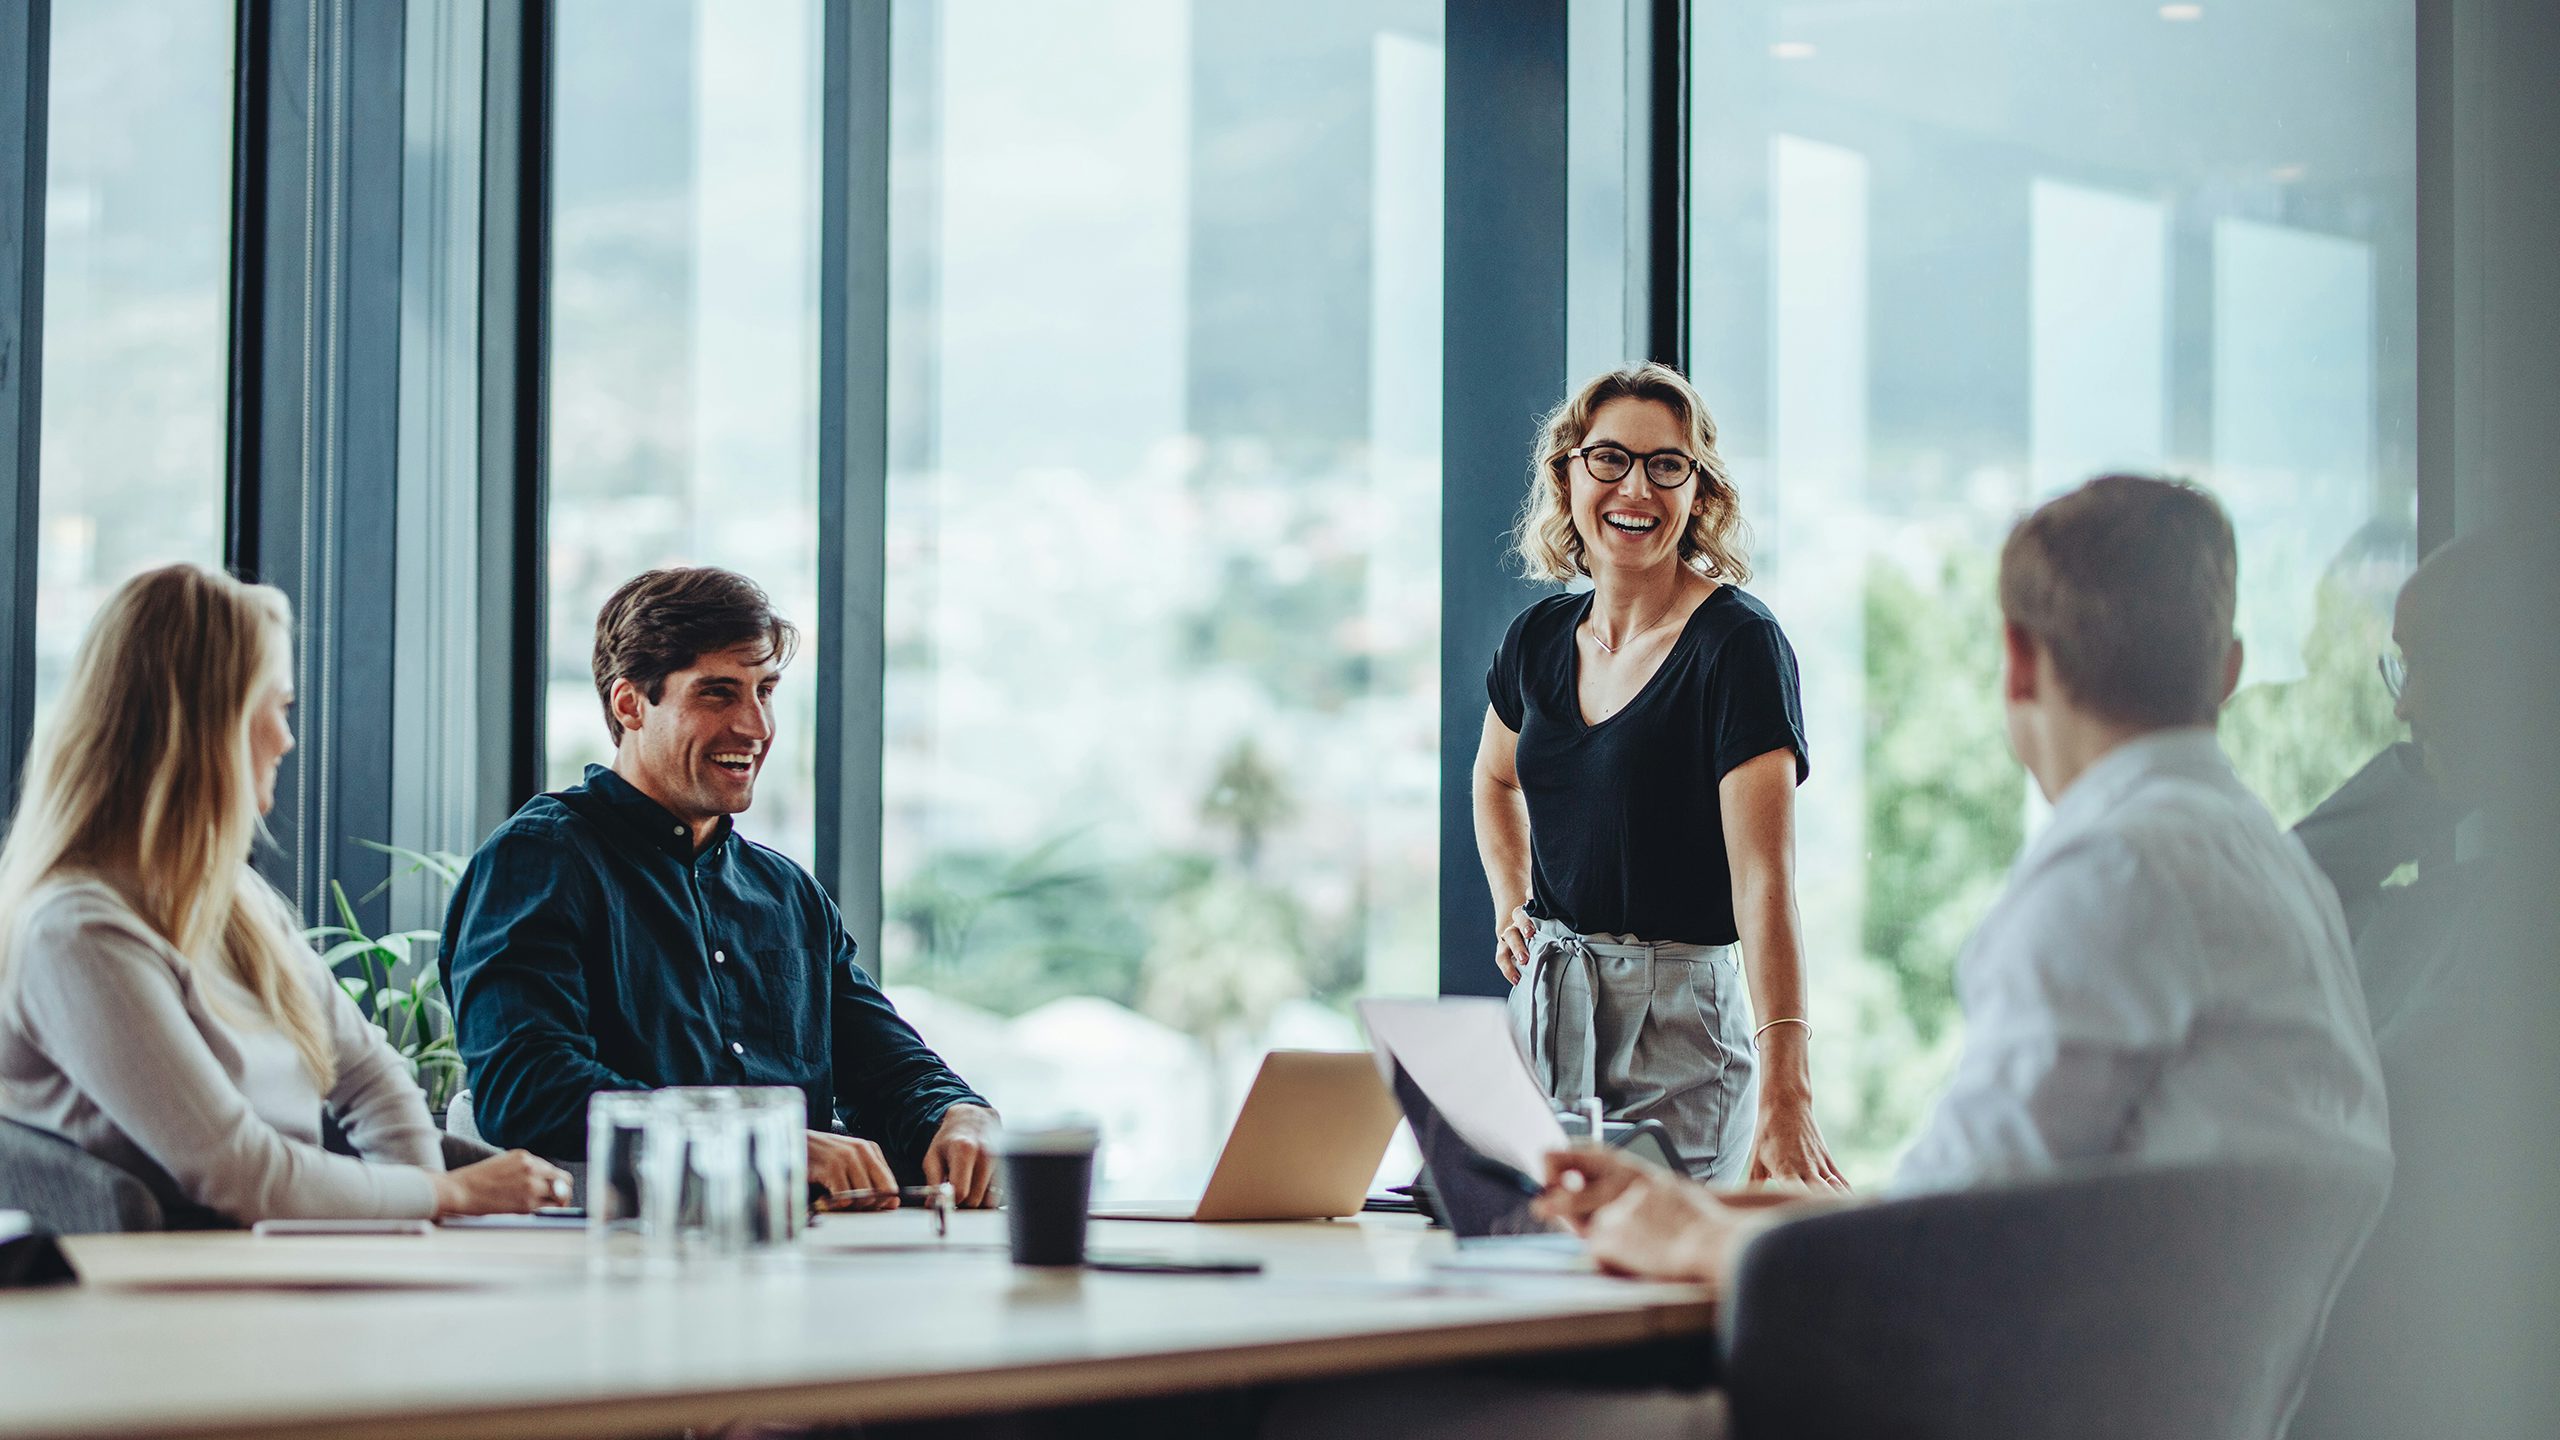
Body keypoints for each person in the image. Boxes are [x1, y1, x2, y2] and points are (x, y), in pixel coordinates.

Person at [1537, 475, 2391, 1283]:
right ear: (2228, 670)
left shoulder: (2113, 875)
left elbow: (1937, 1255)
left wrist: (1686, 1235)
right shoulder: (2271, 865)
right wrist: (1705, 1209)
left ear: (2017, 661)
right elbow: (1971, 1199)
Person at [0, 564, 567, 1223]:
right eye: (279, 707)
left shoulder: (232, 897)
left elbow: (370, 1075)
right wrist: (447, 1194)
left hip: (274, 1263)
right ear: (210, 724)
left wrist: (417, 1218)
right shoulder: (77, 933)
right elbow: (238, 1173)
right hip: (170, 1294)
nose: (288, 738)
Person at [446, 567, 999, 1207]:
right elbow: (528, 1089)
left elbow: (887, 1066)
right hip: (616, 1261)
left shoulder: (787, 892)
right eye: (717, 694)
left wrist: (959, 1112)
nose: (756, 727)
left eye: (765, 691)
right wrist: (762, 1139)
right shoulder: (540, 861)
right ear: (630, 704)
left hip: (807, 1257)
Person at [1474, 362, 1840, 1187]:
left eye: (1665, 464)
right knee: (1535, 1278)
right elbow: (1495, 780)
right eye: (1609, 458)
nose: (1634, 487)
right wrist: (1510, 904)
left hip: (1678, 1028)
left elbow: (1765, 883)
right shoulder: (1535, 640)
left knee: (1657, 1294)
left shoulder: (1738, 646)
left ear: (1699, 491)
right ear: (1567, 474)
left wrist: (1790, 1089)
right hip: (1545, 1009)